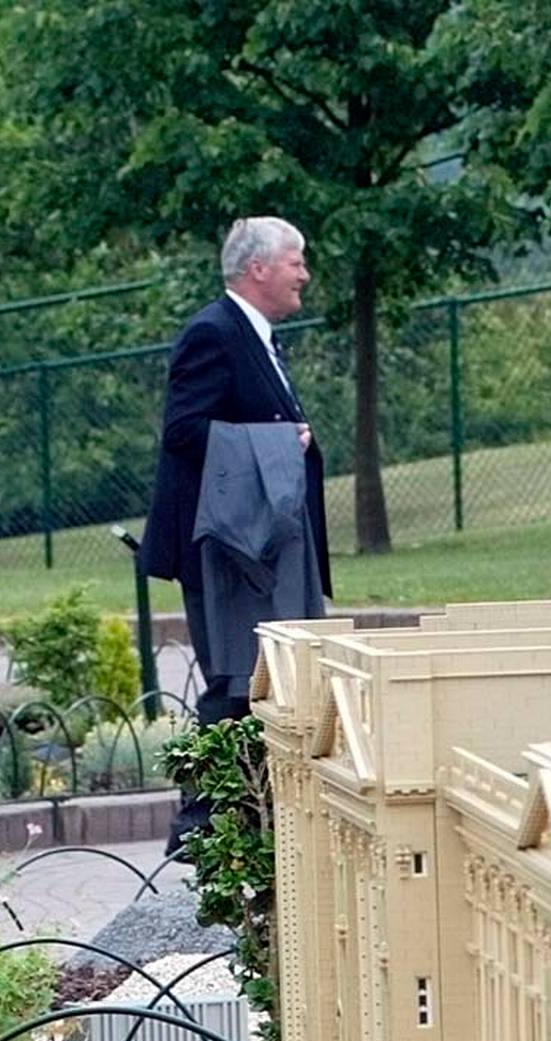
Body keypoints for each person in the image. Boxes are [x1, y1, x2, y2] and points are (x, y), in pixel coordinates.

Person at [140, 216, 332, 851]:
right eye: (296, 261)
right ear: (258, 269)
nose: (304, 273)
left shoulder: (261, 337)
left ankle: (240, 819)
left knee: (258, 682)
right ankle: (200, 827)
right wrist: (282, 443)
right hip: (224, 551)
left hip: (261, 550)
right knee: (234, 681)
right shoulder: (213, 334)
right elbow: (183, 432)